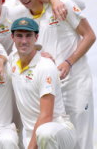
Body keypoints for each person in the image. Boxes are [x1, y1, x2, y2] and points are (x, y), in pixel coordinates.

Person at [10, 0, 96, 149]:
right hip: (51, 86)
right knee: (51, 137)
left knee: (81, 138)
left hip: (75, 82)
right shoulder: (22, 17)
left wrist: (68, 62)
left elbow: (90, 35)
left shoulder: (61, 4)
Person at [9, 17, 77, 149]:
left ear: (36, 37)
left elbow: (46, 116)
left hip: (58, 130)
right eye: (19, 36)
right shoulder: (12, 59)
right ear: (12, 37)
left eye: (28, 36)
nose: (24, 41)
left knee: (45, 133)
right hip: (32, 135)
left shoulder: (45, 66)